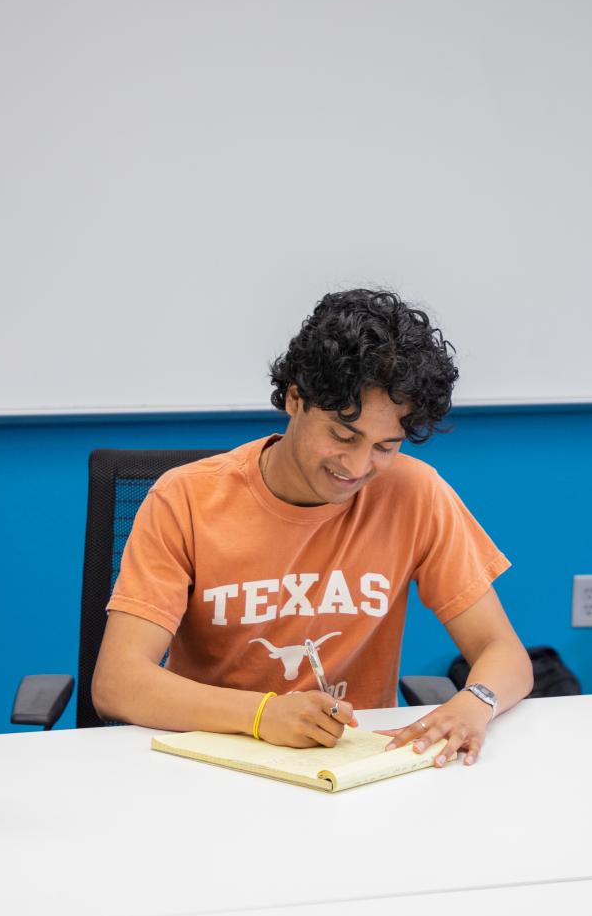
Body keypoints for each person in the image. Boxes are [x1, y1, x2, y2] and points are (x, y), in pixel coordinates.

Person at [94, 289, 532, 765]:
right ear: (295, 399)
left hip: (348, 766)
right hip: (215, 760)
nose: (359, 466)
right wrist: (263, 714)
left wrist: (475, 703)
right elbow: (118, 681)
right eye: (343, 436)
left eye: (386, 446)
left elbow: (503, 651)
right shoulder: (184, 499)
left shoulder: (415, 494)